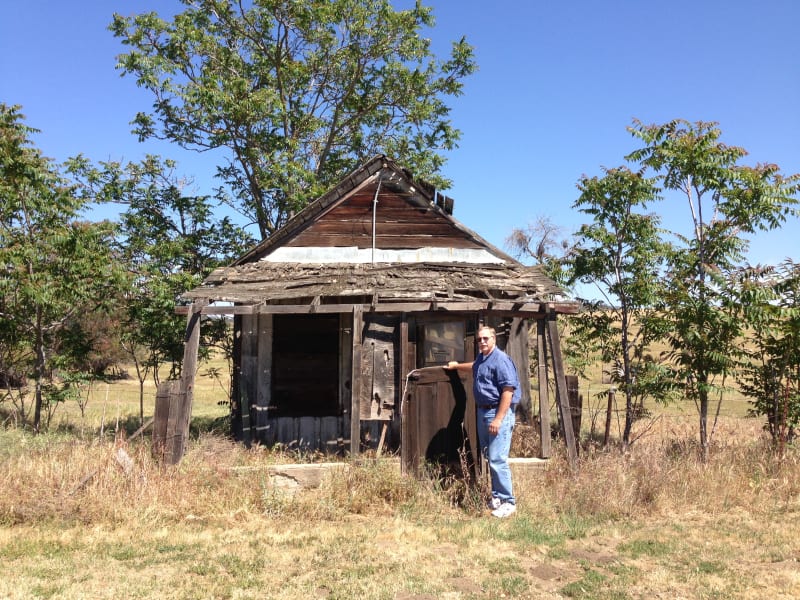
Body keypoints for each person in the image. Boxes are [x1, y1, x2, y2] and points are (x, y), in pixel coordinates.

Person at [446, 326, 520, 518]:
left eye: (486, 338)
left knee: (497, 459)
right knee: (490, 456)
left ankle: (508, 502)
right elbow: (474, 366)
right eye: (479, 339)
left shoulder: (501, 360)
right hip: (483, 413)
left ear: (494, 339)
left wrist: (498, 418)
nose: (482, 342)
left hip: (497, 413)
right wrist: (456, 367)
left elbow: (508, 391)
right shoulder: (483, 358)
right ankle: (497, 497)